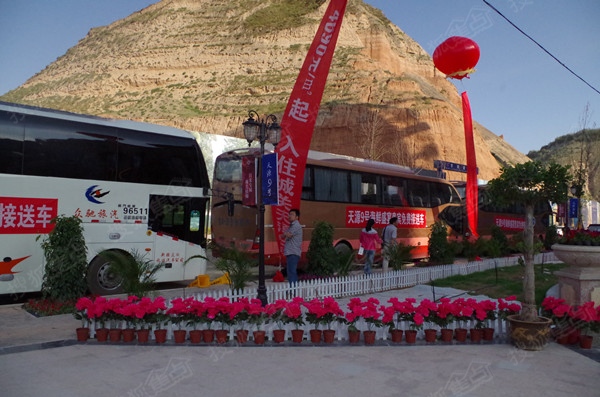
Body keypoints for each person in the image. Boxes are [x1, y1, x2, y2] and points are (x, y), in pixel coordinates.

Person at [282, 208, 302, 284]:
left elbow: (288, 235)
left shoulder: (296, 226)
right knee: (290, 272)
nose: (289, 216)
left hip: (293, 252)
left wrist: (285, 234)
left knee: (292, 272)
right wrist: (285, 234)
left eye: (292, 214)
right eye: (289, 214)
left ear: (297, 217)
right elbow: (283, 235)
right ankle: (292, 289)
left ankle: (293, 289)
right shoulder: (291, 226)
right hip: (290, 252)